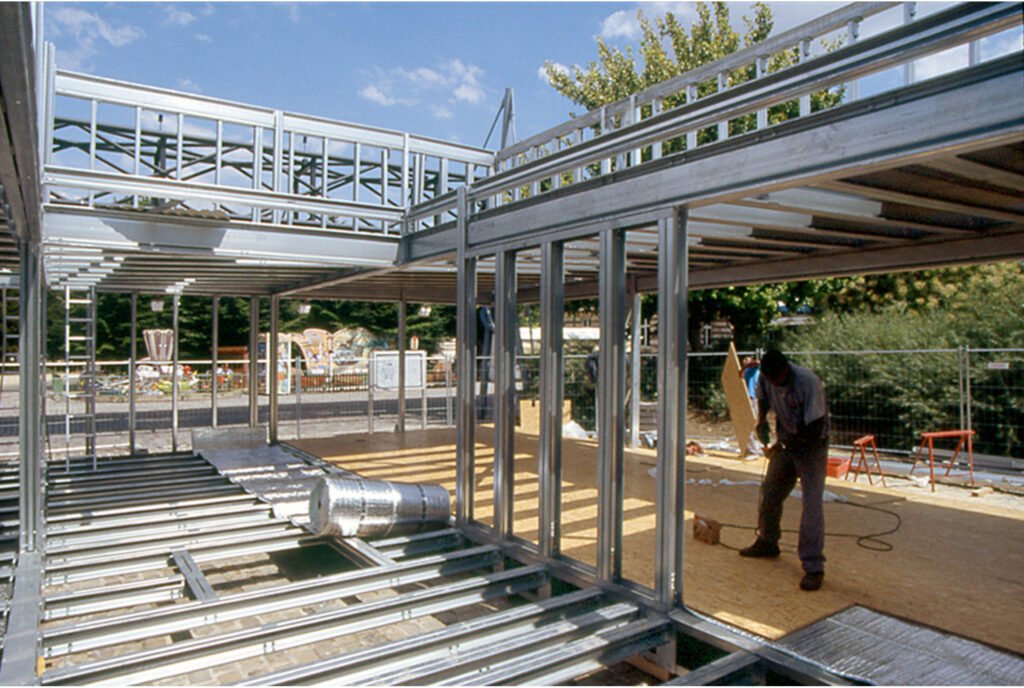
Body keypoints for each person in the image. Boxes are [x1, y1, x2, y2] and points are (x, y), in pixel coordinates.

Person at [740, 349, 830, 592]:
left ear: (786, 370)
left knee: (812, 505)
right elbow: (764, 399)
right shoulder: (766, 377)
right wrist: (761, 421)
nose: (774, 384)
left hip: (812, 445)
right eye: (770, 380)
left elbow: (815, 428)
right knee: (770, 491)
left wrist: (784, 444)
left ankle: (813, 566)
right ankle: (768, 541)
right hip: (788, 441)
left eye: (777, 379)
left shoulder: (808, 383)